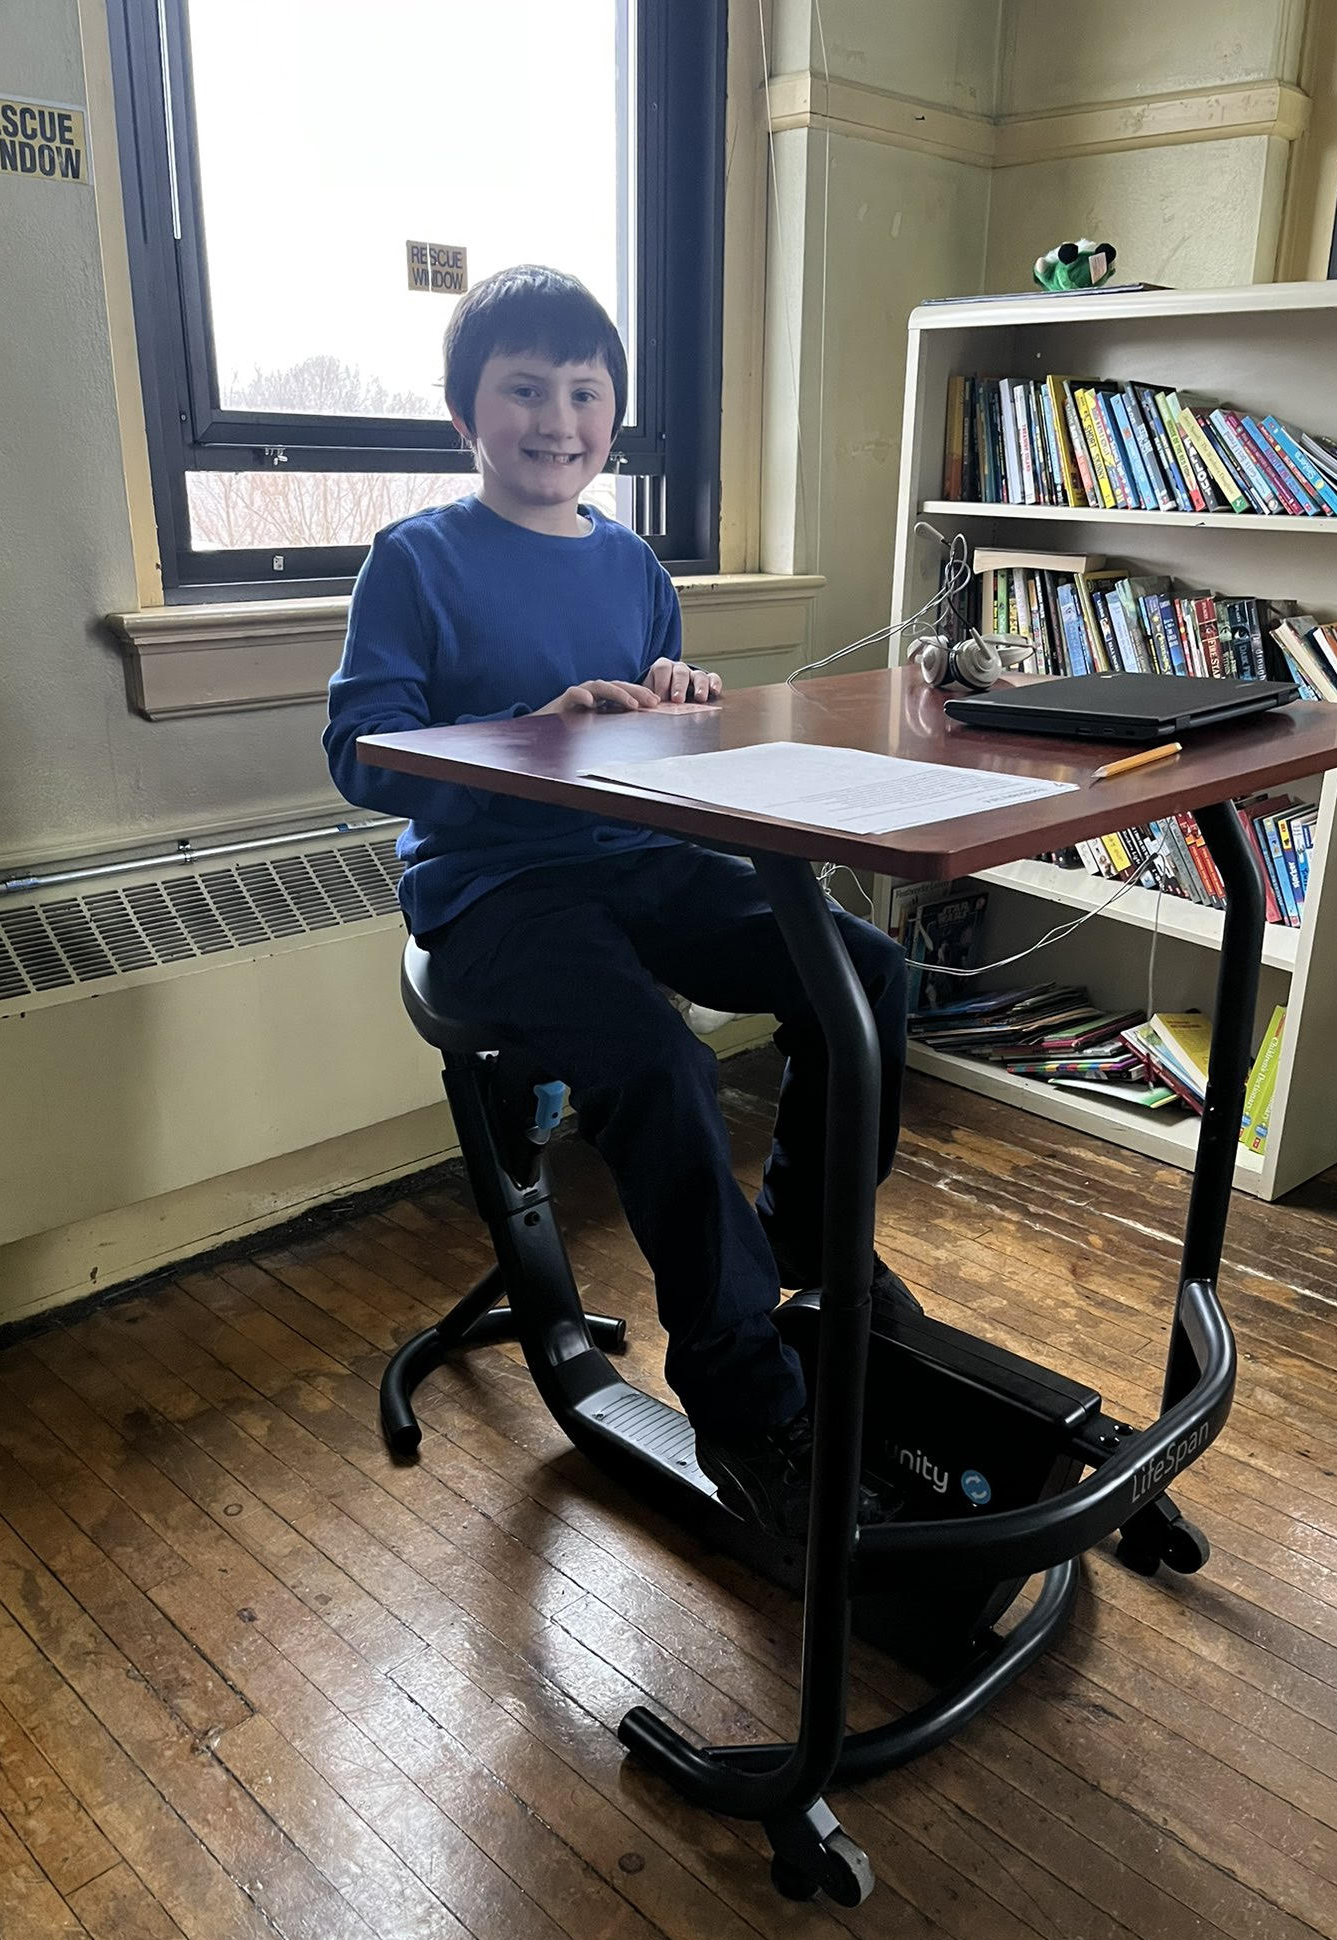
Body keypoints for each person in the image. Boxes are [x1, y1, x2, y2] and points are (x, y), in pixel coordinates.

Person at [325, 264, 917, 1536]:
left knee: (867, 976)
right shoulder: (415, 560)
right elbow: (359, 752)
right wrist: (533, 729)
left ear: (613, 416)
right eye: (523, 389)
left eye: (582, 392)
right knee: (659, 1063)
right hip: (489, 889)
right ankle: (746, 1392)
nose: (555, 417)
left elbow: (650, 743)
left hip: (637, 862)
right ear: (465, 416)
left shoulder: (634, 560)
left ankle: (813, 1247)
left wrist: (675, 694)